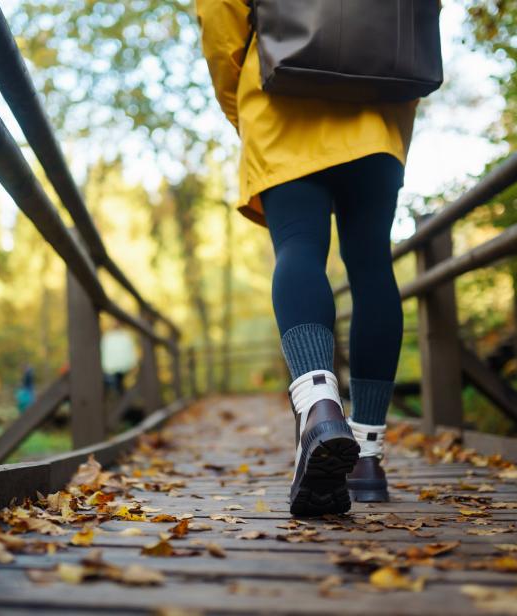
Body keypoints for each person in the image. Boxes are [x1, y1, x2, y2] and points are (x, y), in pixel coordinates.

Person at [196, 0, 418, 515]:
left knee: (298, 248)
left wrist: (241, 106)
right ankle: (368, 455)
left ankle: (319, 407)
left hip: (281, 94)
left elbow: (220, 21)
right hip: (377, 105)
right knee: (372, 268)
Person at [100, 321, 137, 396]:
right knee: (116, 385)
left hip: (115, 367)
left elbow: (130, 351)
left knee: (116, 385)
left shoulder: (110, 336)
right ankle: (119, 399)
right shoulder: (110, 336)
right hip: (113, 367)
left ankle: (119, 399)